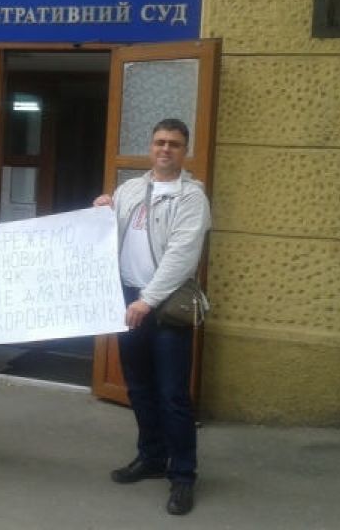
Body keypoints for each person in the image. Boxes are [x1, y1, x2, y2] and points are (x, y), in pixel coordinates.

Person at [94, 118, 211, 516]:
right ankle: (152, 457)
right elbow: (108, 234)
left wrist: (147, 300)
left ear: (184, 151)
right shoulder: (129, 189)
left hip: (164, 306)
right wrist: (101, 211)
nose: (165, 149)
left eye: (174, 144)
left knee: (173, 395)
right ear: (150, 146)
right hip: (128, 298)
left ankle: (183, 476)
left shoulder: (191, 198)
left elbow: (182, 256)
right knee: (139, 388)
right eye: (160, 142)